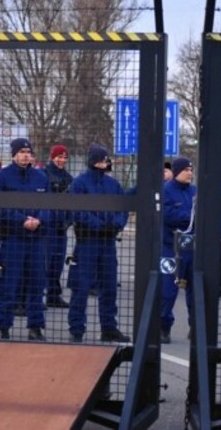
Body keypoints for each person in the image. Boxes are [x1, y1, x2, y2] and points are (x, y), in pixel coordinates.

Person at [0, 138, 51, 341]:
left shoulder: (41, 178)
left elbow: (51, 204)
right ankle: (4, 326)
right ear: (14, 154)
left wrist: (40, 219)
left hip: (36, 240)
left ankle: (35, 326)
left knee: (36, 283)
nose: (26, 155)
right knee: (9, 284)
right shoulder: (1, 178)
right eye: (22, 152)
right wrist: (21, 220)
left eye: (29, 152)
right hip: (13, 238)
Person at [68, 144, 130, 343]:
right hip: (87, 241)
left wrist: (116, 225)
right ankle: (77, 328)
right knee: (82, 286)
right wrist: (99, 226)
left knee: (109, 286)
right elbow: (77, 211)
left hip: (107, 242)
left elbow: (123, 208)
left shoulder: (113, 184)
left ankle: (109, 327)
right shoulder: (80, 184)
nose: (105, 162)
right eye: (102, 159)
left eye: (106, 159)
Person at [160, 158, 196, 344]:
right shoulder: (166, 191)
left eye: (191, 169)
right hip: (170, 248)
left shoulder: (195, 192)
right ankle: (163, 326)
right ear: (176, 171)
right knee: (167, 290)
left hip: (192, 248)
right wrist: (189, 217)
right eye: (185, 170)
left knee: (196, 290)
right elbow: (167, 215)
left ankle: (196, 327)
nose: (189, 173)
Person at [44, 144, 73, 308]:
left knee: (58, 262)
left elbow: (73, 204)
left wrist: (68, 222)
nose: (61, 160)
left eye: (64, 157)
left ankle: (53, 294)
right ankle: (45, 292)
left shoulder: (69, 178)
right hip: (48, 226)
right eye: (59, 157)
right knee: (46, 261)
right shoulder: (44, 175)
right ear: (52, 157)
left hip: (61, 227)